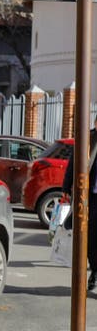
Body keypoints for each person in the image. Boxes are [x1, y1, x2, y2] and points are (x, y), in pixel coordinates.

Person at [61, 115, 97, 291]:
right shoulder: (87, 139)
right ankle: (95, 270)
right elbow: (73, 164)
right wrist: (66, 187)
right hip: (89, 196)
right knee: (89, 237)